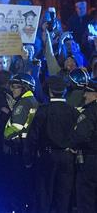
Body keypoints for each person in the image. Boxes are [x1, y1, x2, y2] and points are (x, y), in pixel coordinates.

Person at [24, 75, 78, 213]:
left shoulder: (43, 110)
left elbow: (33, 137)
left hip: (47, 157)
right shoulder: (73, 111)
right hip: (67, 157)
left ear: (49, 91)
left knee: (44, 195)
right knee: (64, 196)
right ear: (64, 91)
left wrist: (28, 159)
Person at [3, 73, 39, 212]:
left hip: (19, 151)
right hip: (27, 151)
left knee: (18, 186)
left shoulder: (24, 103)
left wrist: (5, 135)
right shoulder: (31, 100)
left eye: (15, 86)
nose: (12, 89)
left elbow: (16, 127)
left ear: (25, 87)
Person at [70, 79, 97, 213]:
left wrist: (72, 145)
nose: (85, 95)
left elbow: (81, 135)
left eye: (88, 92)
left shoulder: (91, 111)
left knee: (86, 196)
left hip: (91, 159)